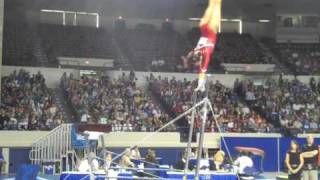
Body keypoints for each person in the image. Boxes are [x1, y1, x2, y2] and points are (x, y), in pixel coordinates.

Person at [193, 0, 222, 92]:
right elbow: (202, 73)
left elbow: (201, 72)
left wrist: (200, 85)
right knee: (216, 6)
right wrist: (201, 85)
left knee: (211, 5)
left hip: (204, 29)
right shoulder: (205, 58)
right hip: (211, 31)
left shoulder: (197, 52)